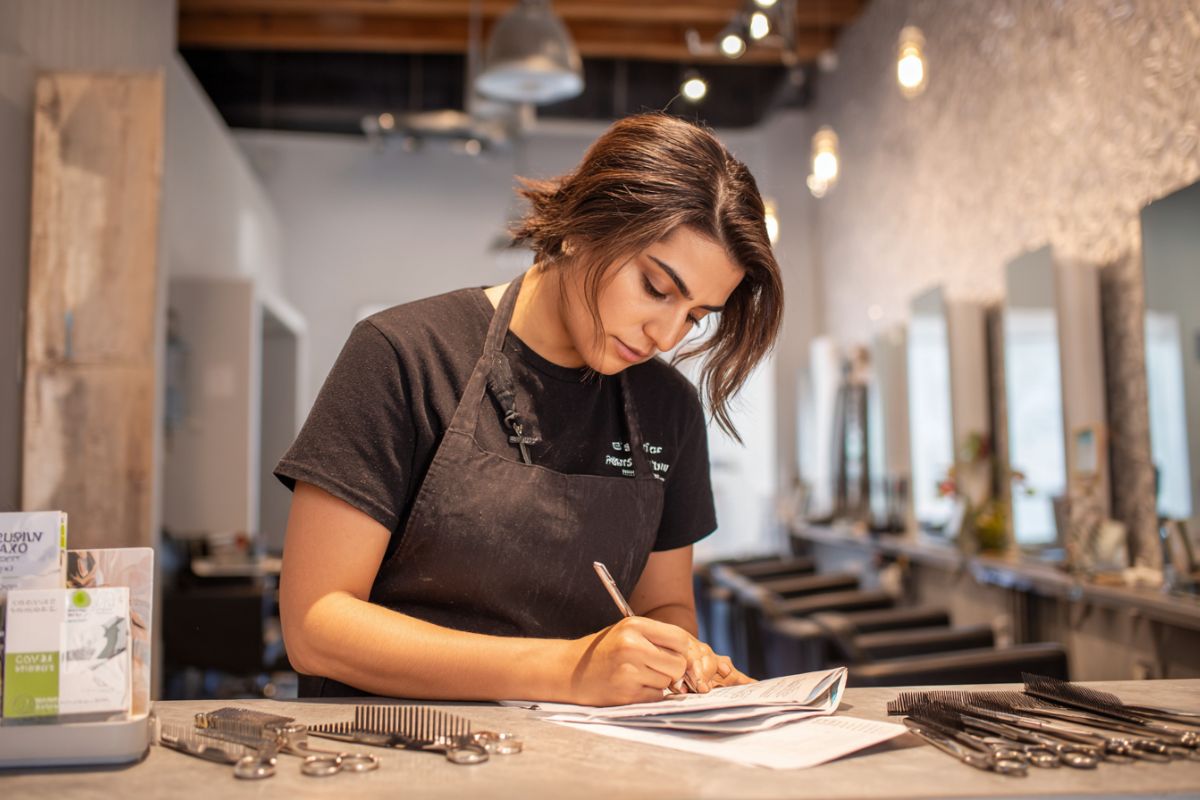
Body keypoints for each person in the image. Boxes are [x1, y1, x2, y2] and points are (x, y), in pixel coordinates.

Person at [275, 112, 783, 706]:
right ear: (580, 228)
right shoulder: (404, 356)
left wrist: (678, 657)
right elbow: (314, 626)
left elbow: (664, 606)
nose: (667, 335)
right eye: (655, 288)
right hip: (393, 754)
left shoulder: (667, 407)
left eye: (696, 315)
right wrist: (568, 669)